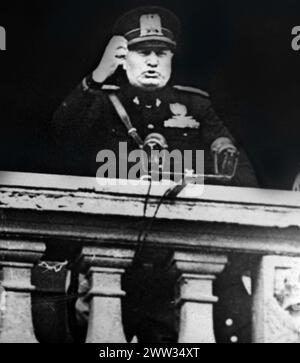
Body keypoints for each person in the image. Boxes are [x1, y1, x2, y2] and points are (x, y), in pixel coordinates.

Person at [51, 6, 258, 343]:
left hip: (172, 270)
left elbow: (240, 175)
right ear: (123, 57)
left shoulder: (195, 107)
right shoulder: (102, 102)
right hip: (110, 257)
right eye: (141, 52)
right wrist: (96, 77)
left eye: (161, 53)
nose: (152, 61)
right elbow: (62, 134)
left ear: (171, 58)